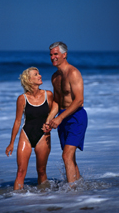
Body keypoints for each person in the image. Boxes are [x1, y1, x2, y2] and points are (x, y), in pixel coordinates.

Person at [43, 42, 88, 186]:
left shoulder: (73, 73)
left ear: (64, 54)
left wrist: (60, 118)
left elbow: (79, 100)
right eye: (51, 55)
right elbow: (56, 101)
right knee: (70, 156)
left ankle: (71, 195)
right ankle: (78, 187)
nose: (53, 57)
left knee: (66, 155)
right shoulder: (55, 77)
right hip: (62, 118)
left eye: (55, 54)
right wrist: (49, 120)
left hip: (76, 117)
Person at [5, 67, 53, 190]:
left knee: (41, 171)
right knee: (21, 171)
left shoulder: (48, 95)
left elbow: (54, 112)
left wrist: (50, 124)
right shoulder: (22, 98)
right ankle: (16, 202)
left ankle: (44, 200)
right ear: (29, 80)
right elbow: (17, 121)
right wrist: (11, 143)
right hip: (26, 135)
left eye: (39, 73)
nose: (40, 76)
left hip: (43, 135)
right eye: (36, 74)